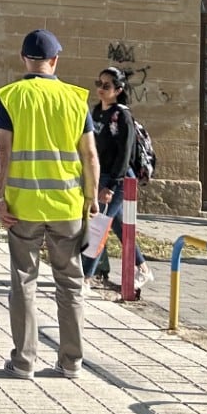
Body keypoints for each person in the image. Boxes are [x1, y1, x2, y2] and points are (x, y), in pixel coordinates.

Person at [0, 30, 101, 380]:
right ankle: (71, 362)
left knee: (23, 282)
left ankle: (24, 362)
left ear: (24, 59)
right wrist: (92, 198)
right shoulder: (75, 98)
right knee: (69, 282)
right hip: (67, 206)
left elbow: (3, 152)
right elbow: (89, 155)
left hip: (22, 205)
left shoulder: (10, 96)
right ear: (55, 60)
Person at [81, 66, 151, 291]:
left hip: (118, 180)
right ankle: (143, 268)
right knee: (120, 226)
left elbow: (125, 153)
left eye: (107, 86)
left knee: (98, 226)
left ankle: (84, 277)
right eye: (99, 83)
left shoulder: (122, 115)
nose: (101, 89)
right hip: (101, 175)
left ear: (119, 90)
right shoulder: (96, 112)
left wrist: (111, 186)